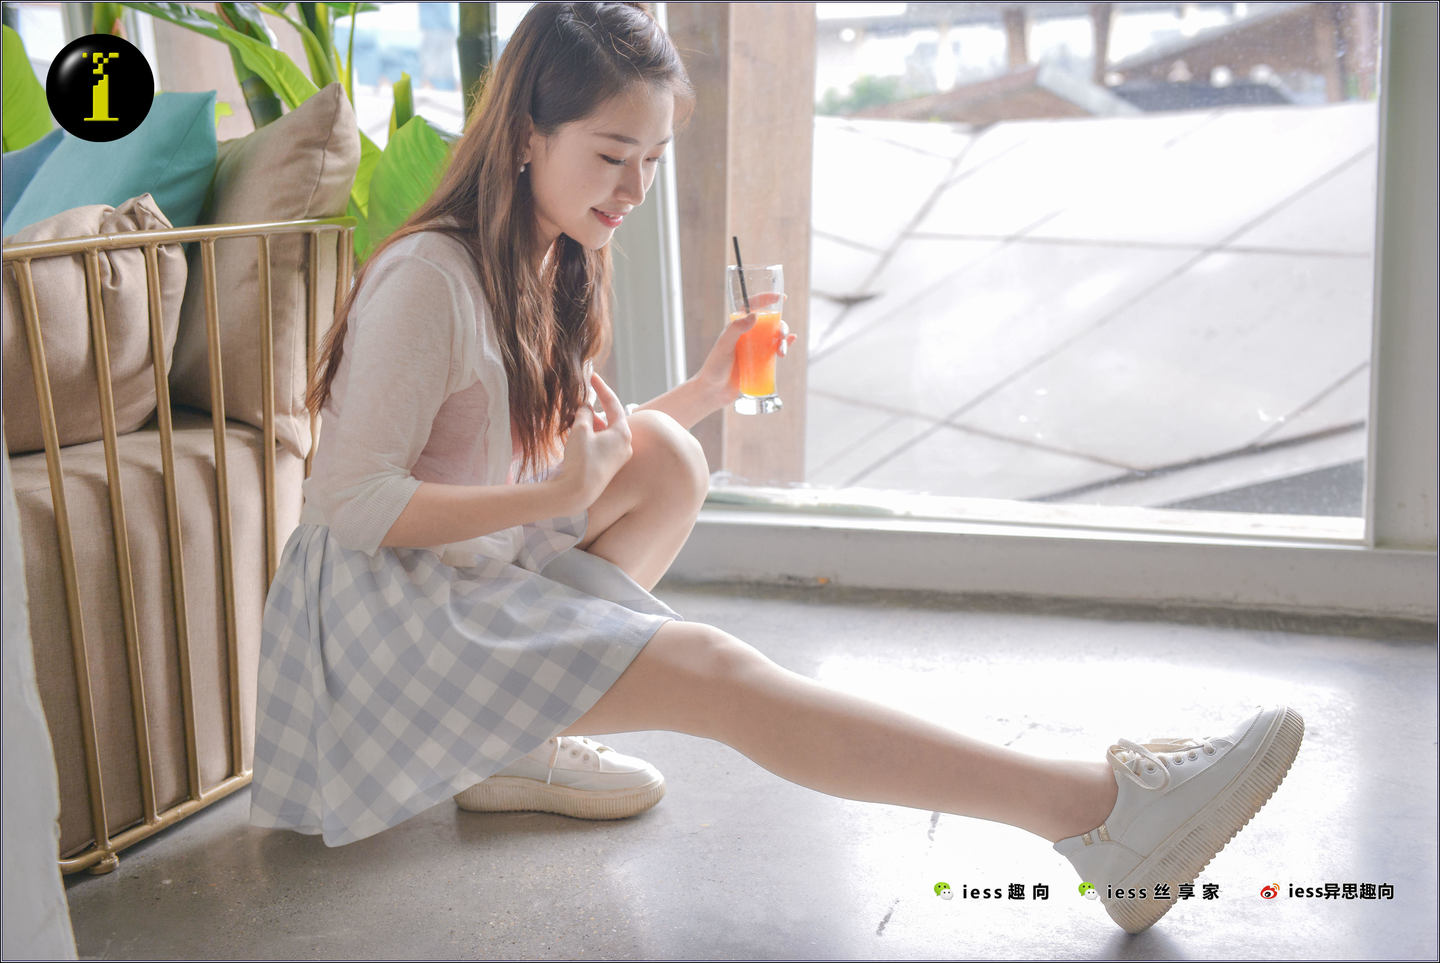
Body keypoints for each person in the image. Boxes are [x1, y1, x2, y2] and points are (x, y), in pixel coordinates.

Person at [249, 1, 1302, 936]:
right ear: (527, 133)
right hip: (382, 623)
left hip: (464, 572)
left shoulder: (551, 256)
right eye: (613, 155)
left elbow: (561, 456)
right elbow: (348, 505)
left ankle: (513, 746)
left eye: (653, 158)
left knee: (667, 455)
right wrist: (560, 494)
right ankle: (1100, 816)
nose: (635, 187)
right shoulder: (429, 278)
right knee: (715, 671)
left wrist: (705, 393)